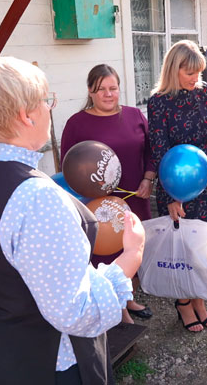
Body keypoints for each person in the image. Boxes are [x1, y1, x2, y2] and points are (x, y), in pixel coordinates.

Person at [0, 56, 145, 384]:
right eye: (46, 101)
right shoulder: (37, 198)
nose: (49, 109)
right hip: (41, 365)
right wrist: (131, 256)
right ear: (25, 115)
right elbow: (77, 314)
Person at [147, 40, 207, 332]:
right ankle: (183, 303)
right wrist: (174, 196)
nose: (195, 79)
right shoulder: (159, 101)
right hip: (176, 184)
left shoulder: (203, 91)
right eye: (190, 73)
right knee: (184, 248)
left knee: (204, 245)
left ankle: (199, 298)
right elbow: (159, 149)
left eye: (198, 73)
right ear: (174, 69)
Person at [61, 64, 154, 323]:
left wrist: (148, 178)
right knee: (107, 252)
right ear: (90, 91)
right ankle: (119, 311)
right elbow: (67, 165)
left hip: (134, 195)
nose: (108, 94)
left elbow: (150, 152)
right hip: (98, 204)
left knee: (133, 247)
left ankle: (128, 298)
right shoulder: (77, 124)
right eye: (101, 89)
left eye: (113, 88)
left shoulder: (135, 115)